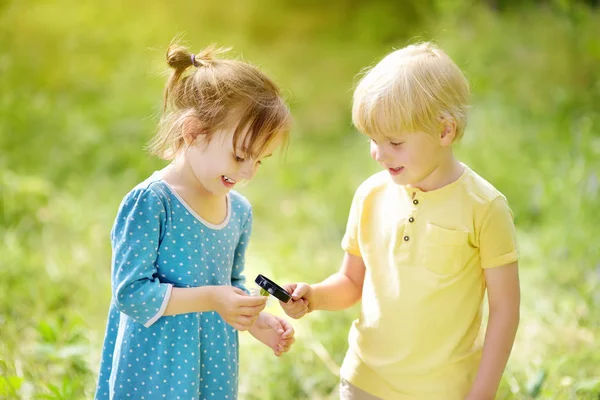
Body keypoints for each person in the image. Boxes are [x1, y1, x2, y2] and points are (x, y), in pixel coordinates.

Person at [280, 42, 520, 400]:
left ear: (444, 132)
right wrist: (312, 296)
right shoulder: (371, 195)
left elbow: (505, 310)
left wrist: (481, 392)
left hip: (445, 391)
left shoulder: (484, 207)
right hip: (364, 381)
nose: (378, 154)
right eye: (372, 140)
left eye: (394, 141)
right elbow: (351, 282)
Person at [95, 42, 295, 400]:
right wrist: (212, 299)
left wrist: (253, 320)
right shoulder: (153, 203)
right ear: (193, 132)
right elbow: (131, 293)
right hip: (156, 364)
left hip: (211, 362)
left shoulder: (239, 212)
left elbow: (229, 284)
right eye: (239, 156)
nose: (248, 171)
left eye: (259, 161)